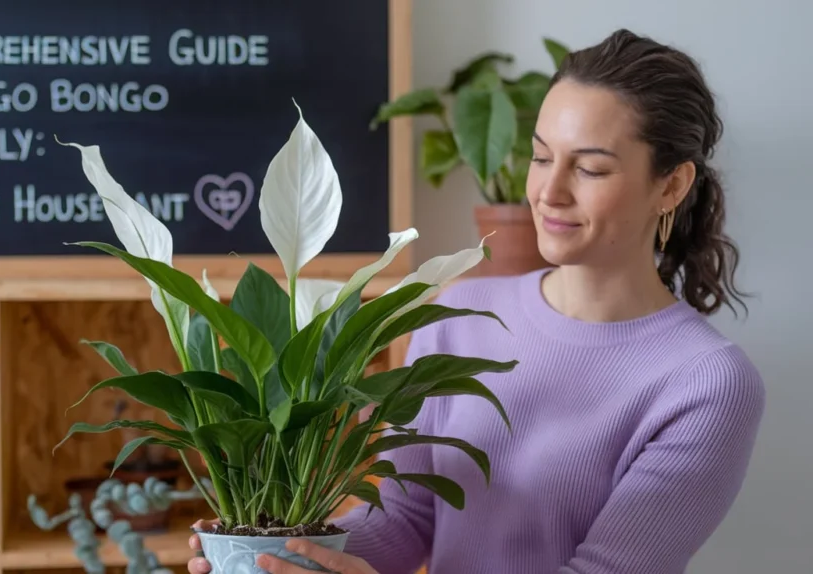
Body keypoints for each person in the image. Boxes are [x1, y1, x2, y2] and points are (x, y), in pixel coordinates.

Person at [186, 28, 766, 574]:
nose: (548, 191)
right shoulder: (460, 317)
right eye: (541, 157)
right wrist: (272, 553)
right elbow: (405, 520)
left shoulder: (705, 383)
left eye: (589, 168)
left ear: (671, 185)